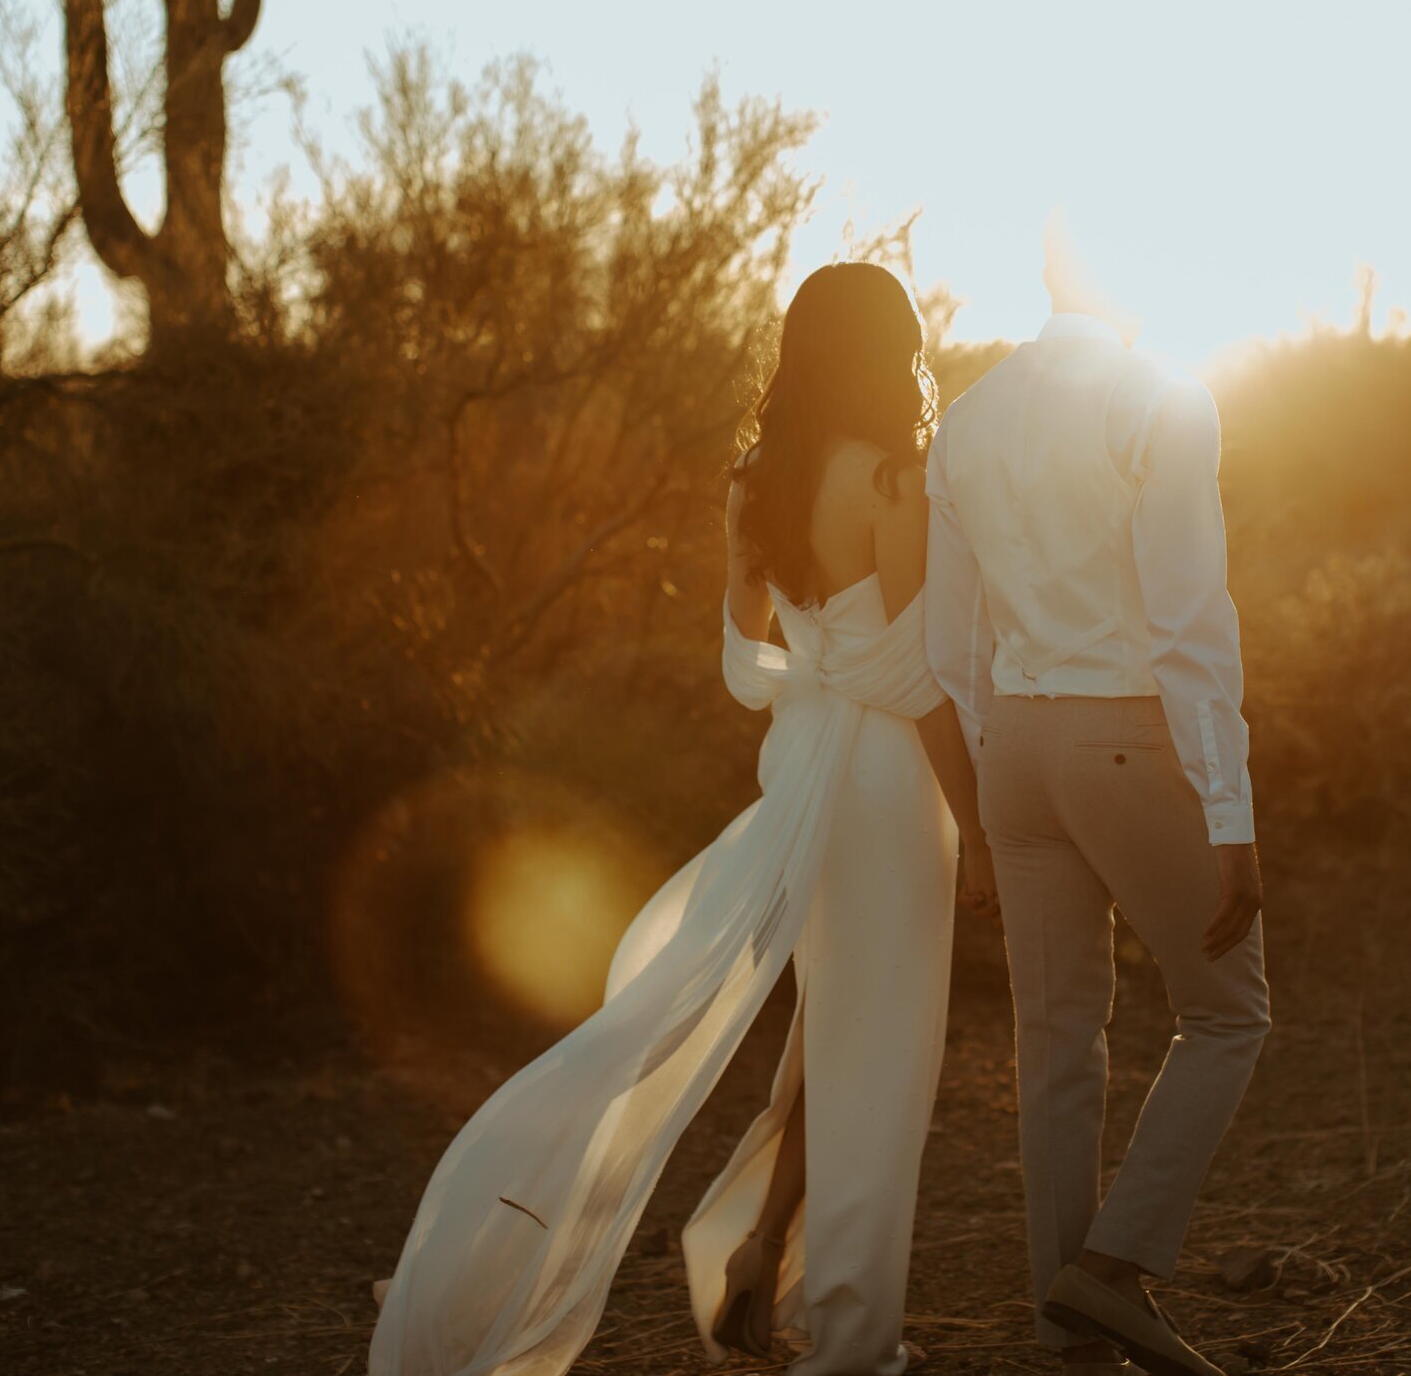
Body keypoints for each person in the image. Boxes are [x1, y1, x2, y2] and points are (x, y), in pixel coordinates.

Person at [368, 261, 997, 1376]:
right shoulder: (895, 478)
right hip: (888, 788)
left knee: (832, 1041)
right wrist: (982, 820)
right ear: (883, 349)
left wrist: (817, 673)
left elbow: (740, 662)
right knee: (882, 1058)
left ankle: (763, 1250)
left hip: (802, 766)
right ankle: (853, 1342)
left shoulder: (753, 479)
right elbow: (916, 675)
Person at [924, 214, 1270, 1376]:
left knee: (1055, 1042)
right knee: (1228, 1008)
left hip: (1014, 743)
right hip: (1121, 734)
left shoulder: (966, 419)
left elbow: (948, 644)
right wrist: (1232, 812)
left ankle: (1065, 1330)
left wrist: (983, 802)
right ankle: (1111, 1270)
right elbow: (1187, 627)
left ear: (1045, 269)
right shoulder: (1160, 399)